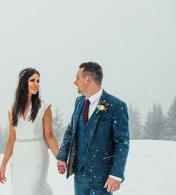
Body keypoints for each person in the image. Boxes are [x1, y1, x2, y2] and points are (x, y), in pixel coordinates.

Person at [56, 62, 130, 195]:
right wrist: (62, 156)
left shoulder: (116, 106)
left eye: (77, 78)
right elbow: (70, 131)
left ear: (88, 79)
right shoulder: (79, 102)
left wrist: (116, 174)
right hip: (80, 176)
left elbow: (122, 143)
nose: (74, 82)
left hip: (102, 179)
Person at [0, 68, 59, 195]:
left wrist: (60, 158)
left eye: (38, 81)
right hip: (19, 156)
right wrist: (3, 164)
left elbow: (49, 136)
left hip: (38, 154)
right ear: (23, 82)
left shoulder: (44, 107)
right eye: (32, 80)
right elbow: (11, 139)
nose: (36, 84)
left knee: (35, 189)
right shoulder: (13, 109)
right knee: (20, 191)